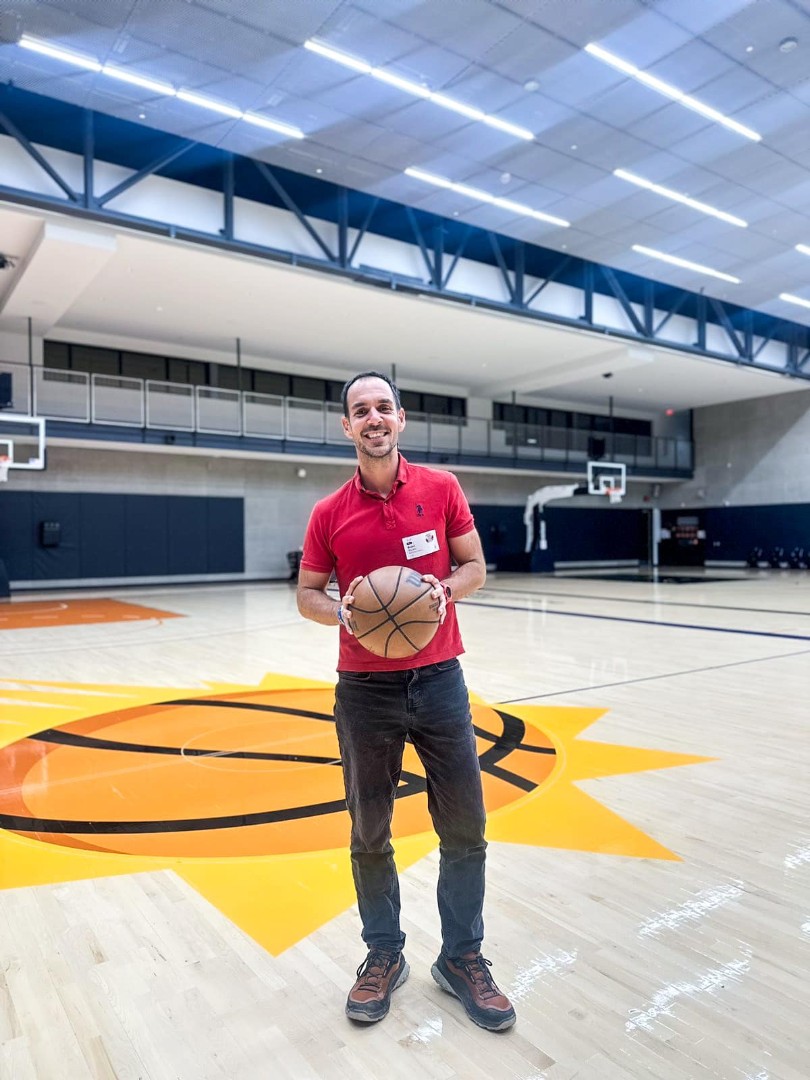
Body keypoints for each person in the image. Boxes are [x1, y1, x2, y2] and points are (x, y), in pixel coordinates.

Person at [297, 371, 516, 1032]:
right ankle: (383, 955)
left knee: (466, 825)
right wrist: (341, 610)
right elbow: (306, 593)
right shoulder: (329, 512)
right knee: (370, 829)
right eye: (361, 410)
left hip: (440, 679)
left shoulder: (442, 489)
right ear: (347, 426)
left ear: (400, 419)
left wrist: (445, 590)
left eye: (383, 407)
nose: (374, 418)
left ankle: (462, 957)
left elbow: (475, 567)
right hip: (365, 690)